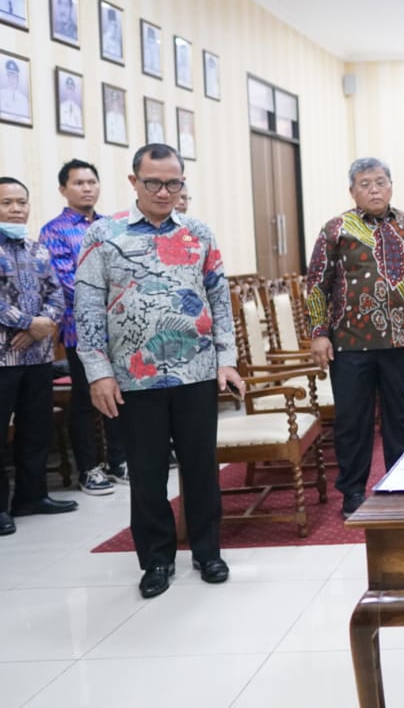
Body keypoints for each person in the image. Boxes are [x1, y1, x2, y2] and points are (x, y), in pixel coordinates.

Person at [76, 144, 244, 597]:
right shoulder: (104, 235)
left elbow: (218, 300)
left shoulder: (198, 233)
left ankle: (208, 551)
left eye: (174, 183)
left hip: (196, 371)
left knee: (201, 467)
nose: (164, 191)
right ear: (134, 182)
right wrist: (98, 372)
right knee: (147, 472)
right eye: (154, 182)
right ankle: (156, 560)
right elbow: (87, 308)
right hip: (134, 376)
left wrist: (226, 360)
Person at [305, 158, 404, 518]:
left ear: (391, 186)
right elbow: (316, 285)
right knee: (352, 422)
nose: (374, 190)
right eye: (365, 184)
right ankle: (352, 492)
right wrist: (319, 333)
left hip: (403, 342)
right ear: (352, 191)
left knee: (402, 419)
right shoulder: (336, 229)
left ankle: (401, 483)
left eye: (380, 182)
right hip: (350, 344)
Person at [40, 159, 129, 496]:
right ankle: (89, 469)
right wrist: (110, 299)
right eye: (78, 183)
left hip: (119, 329)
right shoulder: (54, 231)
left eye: (92, 182)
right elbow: (67, 282)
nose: (87, 188)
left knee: (119, 395)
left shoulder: (112, 227)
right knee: (84, 399)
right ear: (63, 189)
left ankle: (119, 461)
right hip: (82, 332)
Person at [0, 176, 78, 537]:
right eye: (7, 203)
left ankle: (32, 497)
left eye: (22, 202)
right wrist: (29, 323)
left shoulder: (38, 250)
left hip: (38, 357)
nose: (16, 209)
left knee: (36, 429)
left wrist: (39, 326)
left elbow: (57, 295)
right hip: (3, 359)